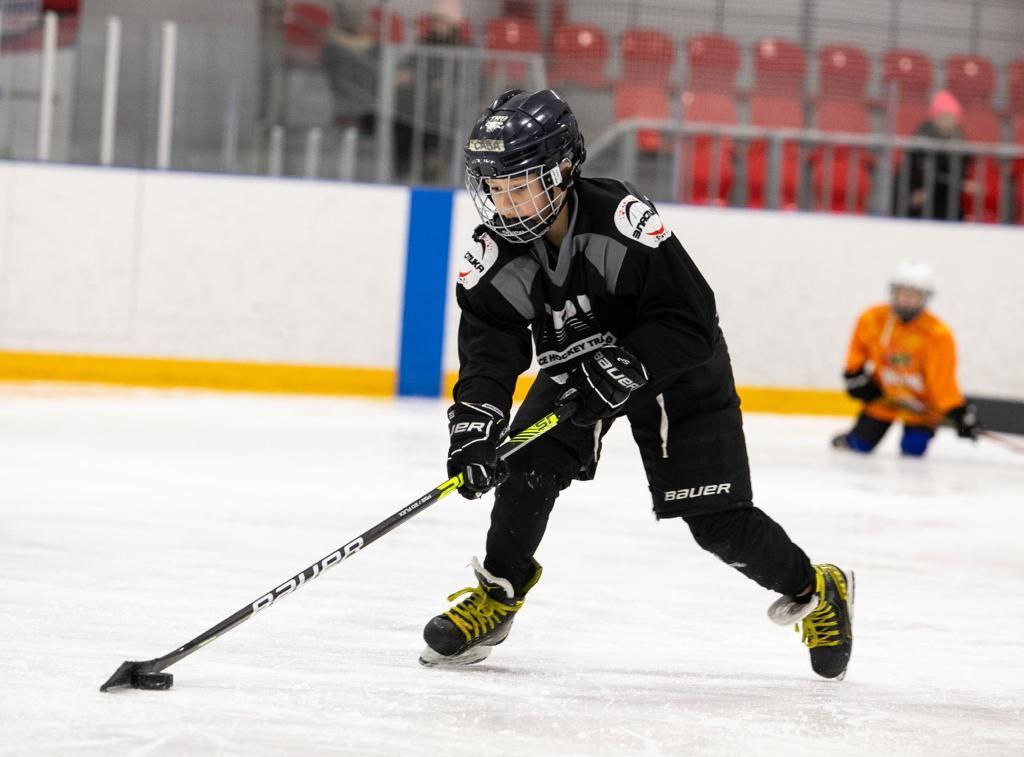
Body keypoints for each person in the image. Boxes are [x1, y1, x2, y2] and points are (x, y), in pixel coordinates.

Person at [419, 89, 854, 680]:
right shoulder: (494, 253)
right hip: (579, 368)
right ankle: (498, 595)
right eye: (494, 187)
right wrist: (475, 428)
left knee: (717, 522)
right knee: (525, 467)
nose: (504, 202)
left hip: (677, 367)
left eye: (519, 186)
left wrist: (628, 364)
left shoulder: (621, 219)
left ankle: (816, 589)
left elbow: (691, 318)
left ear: (562, 171)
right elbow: (489, 353)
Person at [832, 262, 981, 456]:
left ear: (925, 298)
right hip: (884, 398)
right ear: (893, 292)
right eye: (903, 293)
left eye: (914, 295)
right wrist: (854, 374)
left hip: (920, 408)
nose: (907, 299)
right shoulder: (872, 318)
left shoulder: (937, 334)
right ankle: (853, 438)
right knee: (859, 445)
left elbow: (942, 379)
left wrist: (956, 411)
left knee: (912, 450)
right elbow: (857, 351)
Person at [898, 90, 977, 221]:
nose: (949, 121)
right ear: (935, 117)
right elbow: (917, 172)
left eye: (952, 117)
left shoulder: (960, 143)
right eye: (944, 116)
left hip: (946, 201)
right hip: (921, 199)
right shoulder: (920, 141)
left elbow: (962, 171)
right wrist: (958, 183)